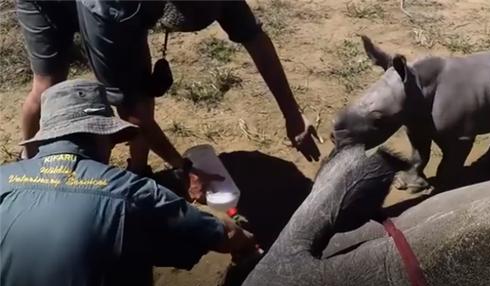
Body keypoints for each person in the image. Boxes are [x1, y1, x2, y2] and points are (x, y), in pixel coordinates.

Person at [0, 79, 260, 286]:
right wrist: (245, 243)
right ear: (102, 134)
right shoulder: (130, 190)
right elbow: (223, 234)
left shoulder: (3, 181)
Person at [16, 0, 320, 180]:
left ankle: (138, 170)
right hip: (48, 5)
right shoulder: (113, 9)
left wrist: (292, 114)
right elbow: (129, 113)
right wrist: (182, 167)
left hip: (131, 11)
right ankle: (27, 166)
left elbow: (255, 39)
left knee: (142, 87)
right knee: (47, 83)